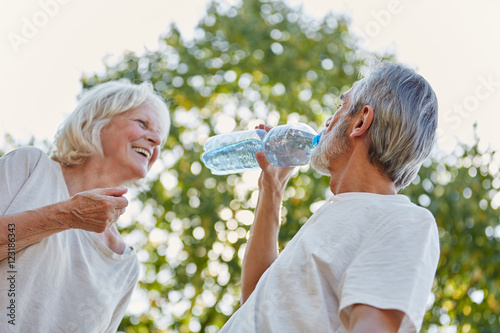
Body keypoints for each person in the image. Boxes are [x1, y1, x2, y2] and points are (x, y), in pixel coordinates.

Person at [219, 61, 440, 333]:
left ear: (360, 121)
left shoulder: (402, 221)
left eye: (340, 105)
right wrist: (271, 190)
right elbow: (255, 302)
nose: (327, 121)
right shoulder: (335, 214)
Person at [0, 81, 170, 332]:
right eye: (142, 123)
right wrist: (67, 215)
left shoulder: (126, 264)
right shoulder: (31, 167)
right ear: (95, 122)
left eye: (160, 137)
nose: (155, 140)